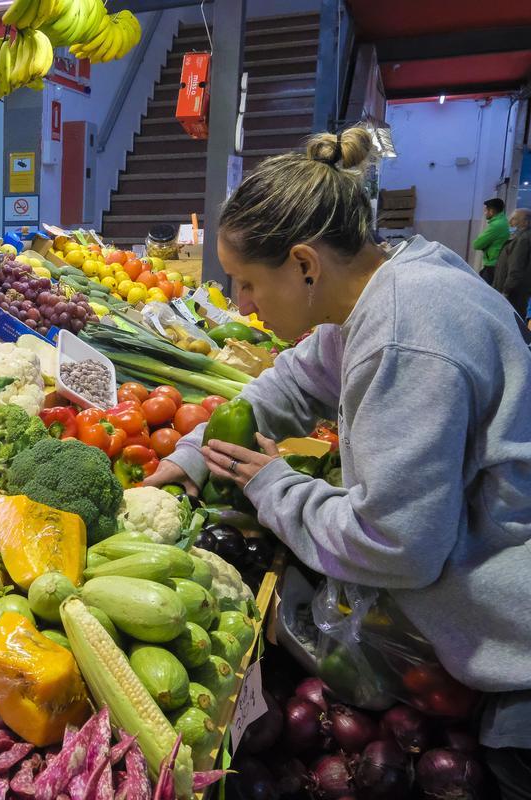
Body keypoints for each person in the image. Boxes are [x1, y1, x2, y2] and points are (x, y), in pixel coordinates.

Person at [146, 127, 531, 797]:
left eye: (245, 283)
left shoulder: (406, 333)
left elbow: (398, 544)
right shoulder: (390, 284)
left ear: (303, 263)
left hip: (517, 658)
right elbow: (290, 383)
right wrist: (194, 455)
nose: (241, 306)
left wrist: (274, 488)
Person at [494, 208, 530, 321]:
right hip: (519, 291)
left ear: (526, 222)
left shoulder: (523, 239)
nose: (510, 222)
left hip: (513, 294)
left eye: (514, 219)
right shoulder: (523, 236)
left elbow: (516, 268)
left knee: (509, 321)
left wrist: (506, 291)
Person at [473, 197, 510, 285]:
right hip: (496, 262)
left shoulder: (496, 225)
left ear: (492, 211)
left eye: (486, 210)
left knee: (484, 291)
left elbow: (477, 244)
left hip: (492, 265)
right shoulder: (503, 220)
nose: (484, 213)